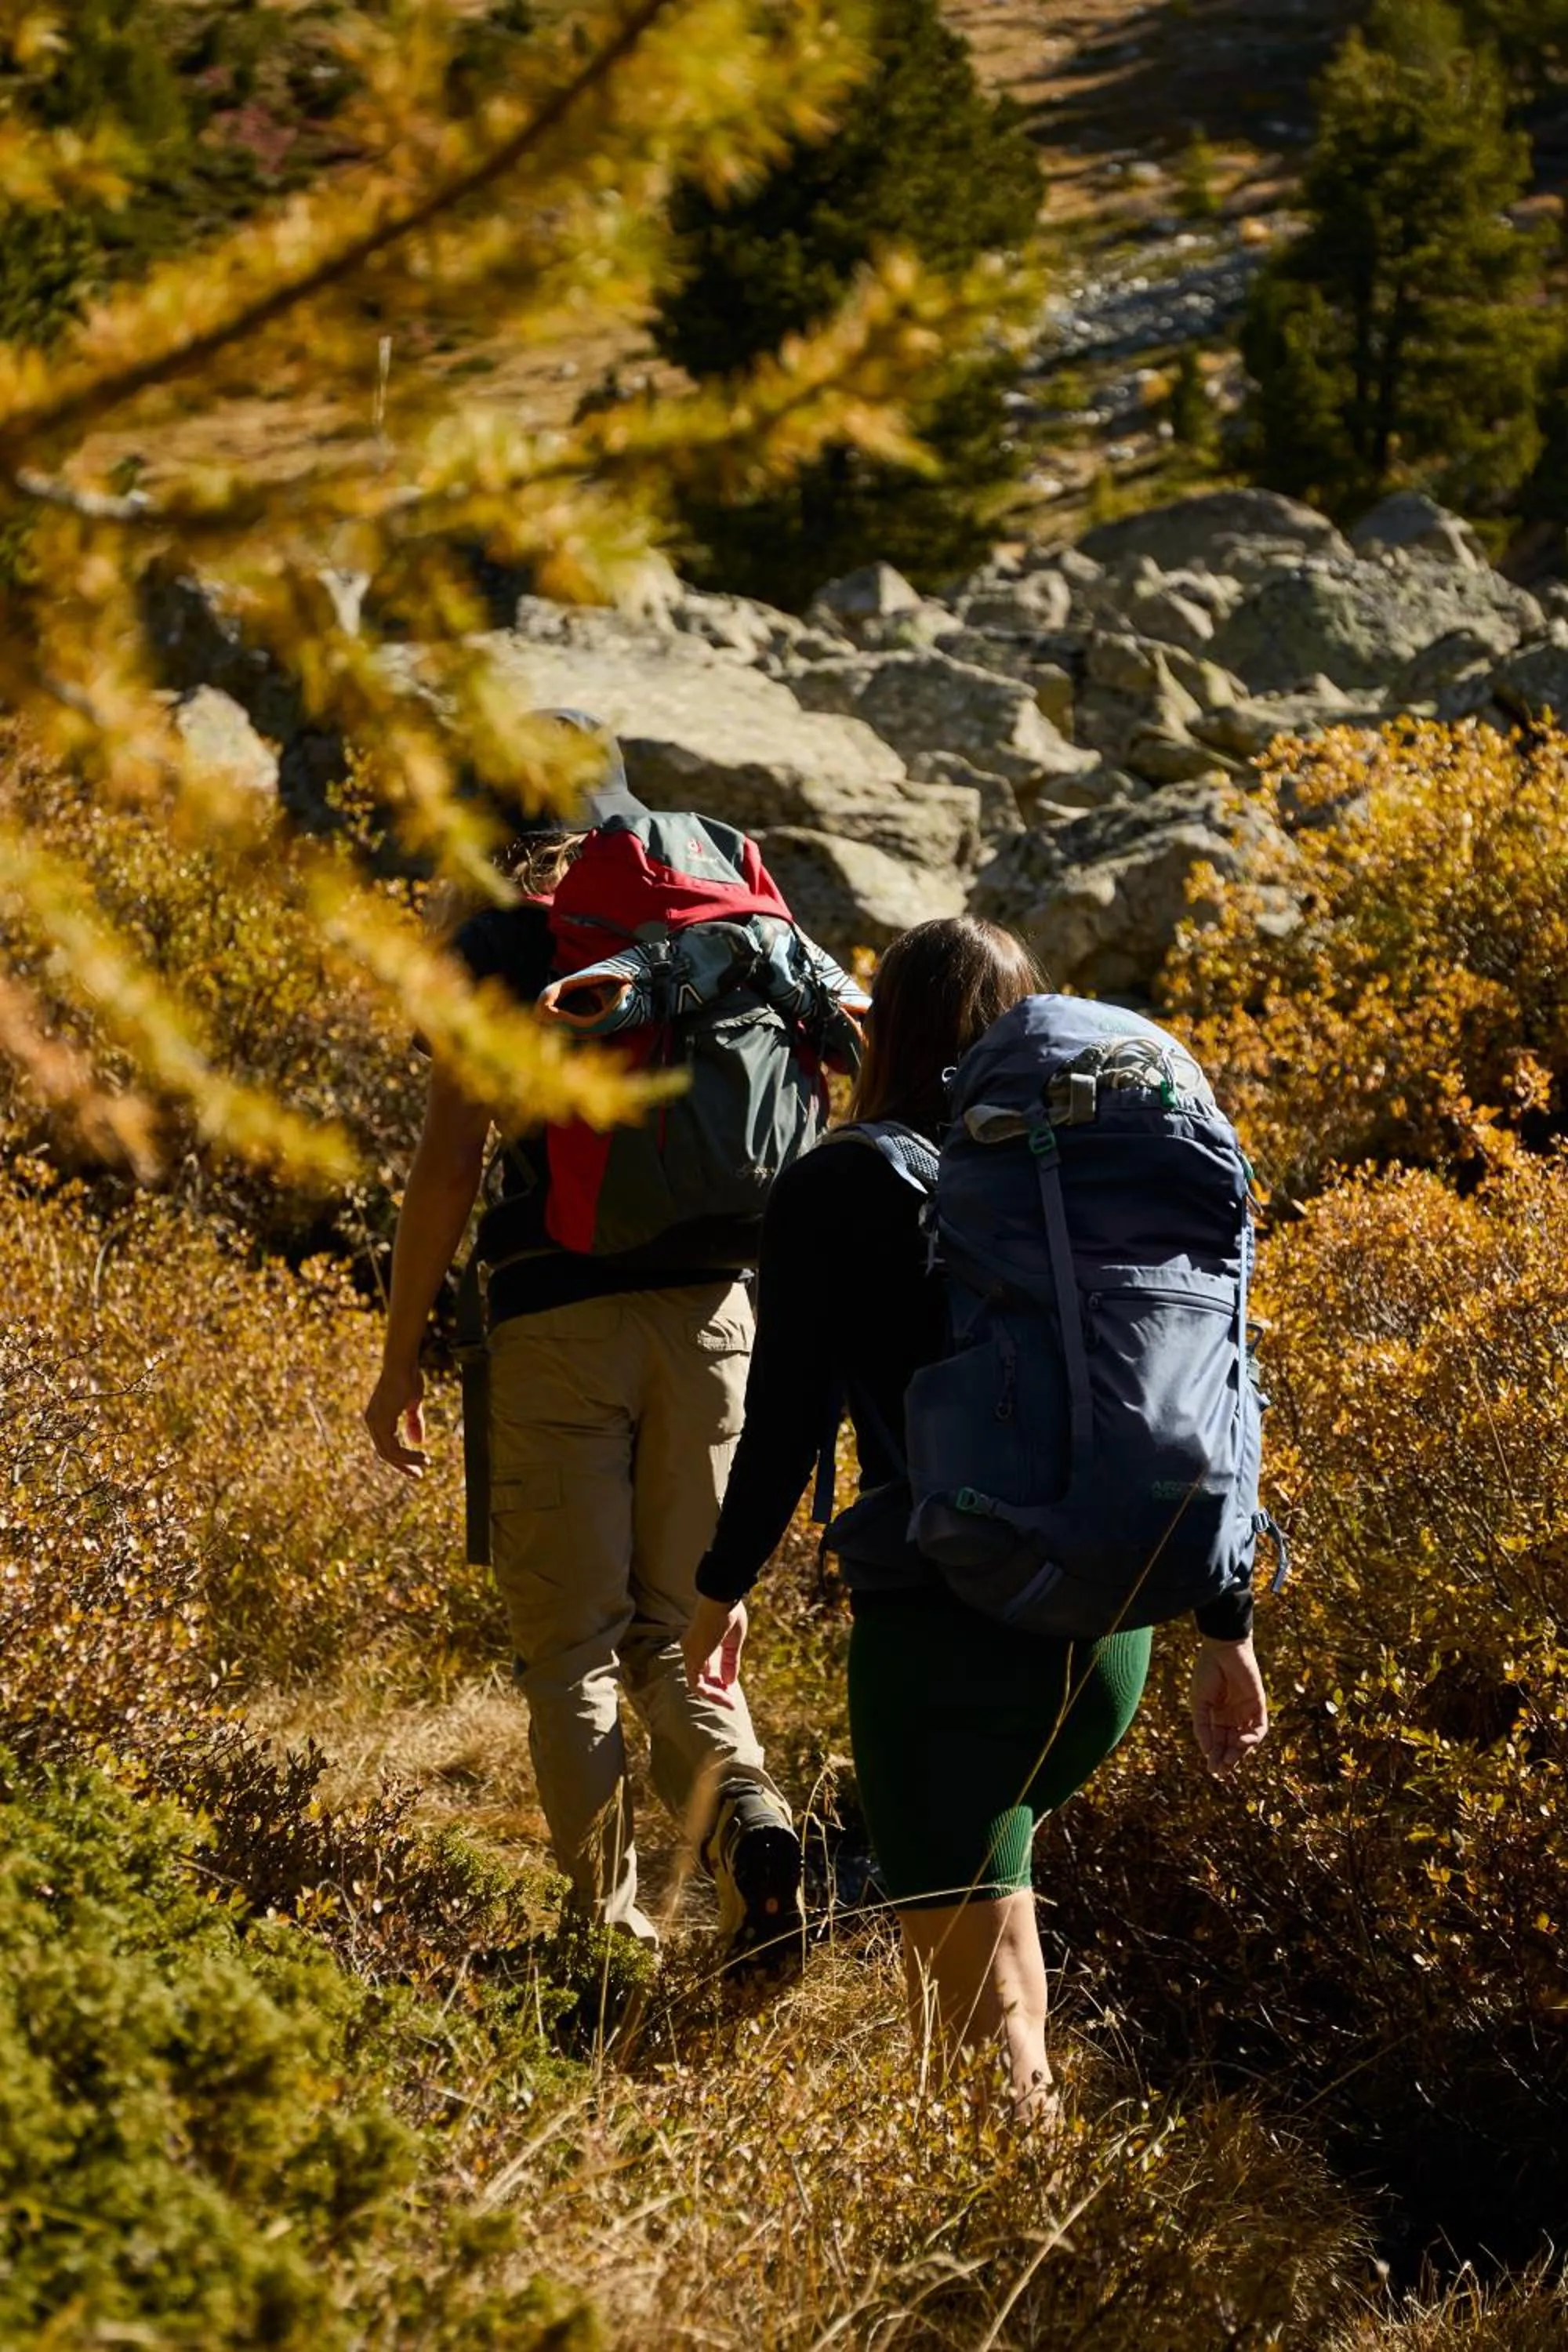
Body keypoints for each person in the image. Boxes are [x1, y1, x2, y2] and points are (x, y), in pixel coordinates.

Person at [681, 916, 1269, 2114]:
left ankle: (1013, 2223)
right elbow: (1197, 1392)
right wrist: (1228, 1626)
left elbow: (783, 1421)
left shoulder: (841, 1182)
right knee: (1003, 1943)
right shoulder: (1077, 1195)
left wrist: (718, 1588)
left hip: (952, 1631)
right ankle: (1033, 2178)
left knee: (971, 2023)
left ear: (884, 1032)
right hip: (1108, 1628)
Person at [365, 717, 801, 1958]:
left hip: (558, 1321)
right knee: (682, 1632)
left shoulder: (499, 946)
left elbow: (448, 1171)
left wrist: (400, 1360)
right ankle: (748, 1821)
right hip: (718, 1316)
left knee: (575, 1650)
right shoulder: (700, 923)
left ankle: (610, 1938)